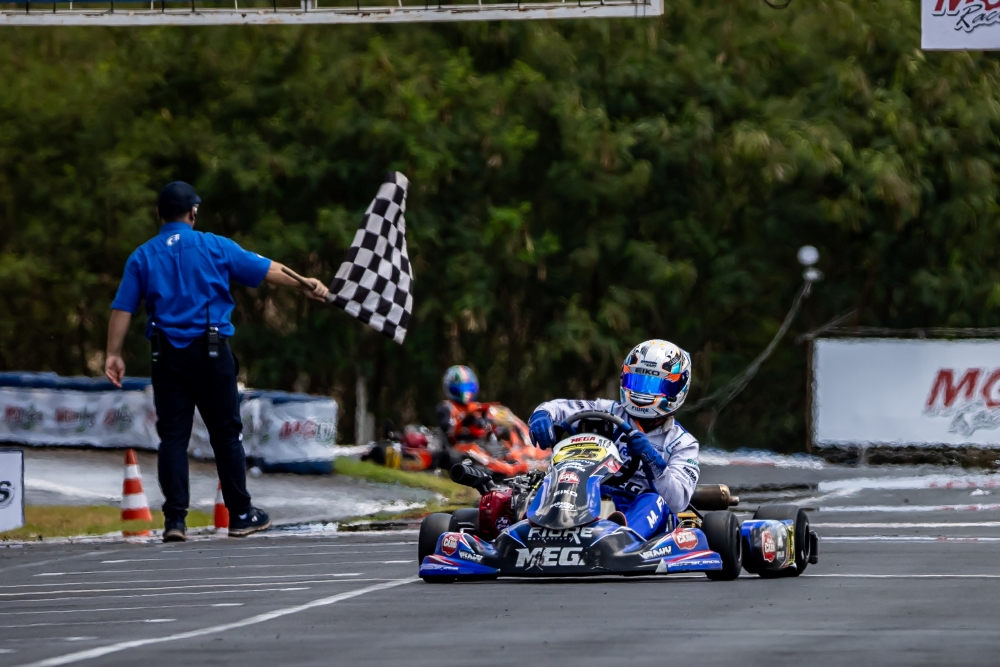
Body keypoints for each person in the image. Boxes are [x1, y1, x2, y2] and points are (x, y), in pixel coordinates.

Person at [104, 181, 329, 542]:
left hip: (167, 358)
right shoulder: (214, 245)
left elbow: (123, 308)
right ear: (193, 212)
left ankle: (174, 521)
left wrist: (113, 353)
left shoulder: (142, 256)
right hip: (211, 354)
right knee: (226, 436)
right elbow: (268, 269)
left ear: (159, 214)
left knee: (173, 438)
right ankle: (240, 514)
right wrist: (305, 284)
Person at [526, 339, 700, 540]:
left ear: (677, 389)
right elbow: (557, 407)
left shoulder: (682, 443)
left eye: (654, 385)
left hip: (638, 508)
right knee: (552, 480)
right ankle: (529, 525)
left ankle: (623, 537)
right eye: (637, 382)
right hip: (587, 496)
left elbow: (677, 501)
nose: (643, 392)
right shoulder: (605, 411)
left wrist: (653, 461)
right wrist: (541, 416)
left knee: (653, 500)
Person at [436, 365, 490, 445]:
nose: (465, 392)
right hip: (455, 449)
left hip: (480, 447)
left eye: (468, 387)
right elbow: (448, 429)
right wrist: (467, 419)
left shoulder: (477, 407)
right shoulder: (445, 407)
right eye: (461, 388)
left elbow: (487, 426)